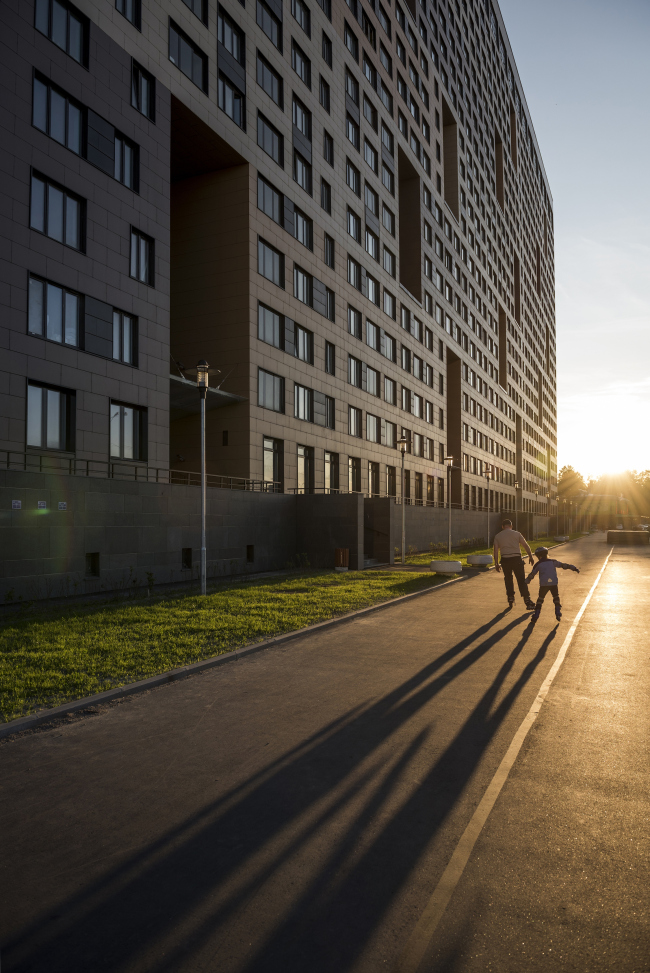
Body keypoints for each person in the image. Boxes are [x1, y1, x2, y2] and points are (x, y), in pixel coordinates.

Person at [526, 546, 580, 622]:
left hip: (544, 585)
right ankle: (558, 612)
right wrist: (573, 568)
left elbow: (532, 574)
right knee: (556, 597)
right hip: (553, 583)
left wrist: (527, 581)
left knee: (540, 600)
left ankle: (536, 615)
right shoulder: (553, 562)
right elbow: (563, 565)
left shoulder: (538, 564)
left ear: (539, 556)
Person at [493, 519, 536, 610]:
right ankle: (527, 600)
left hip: (505, 560)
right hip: (517, 559)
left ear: (502, 526)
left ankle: (510, 597)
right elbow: (525, 545)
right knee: (521, 579)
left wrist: (496, 563)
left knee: (508, 579)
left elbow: (496, 551)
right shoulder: (517, 534)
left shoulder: (498, 536)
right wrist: (530, 556)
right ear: (511, 526)